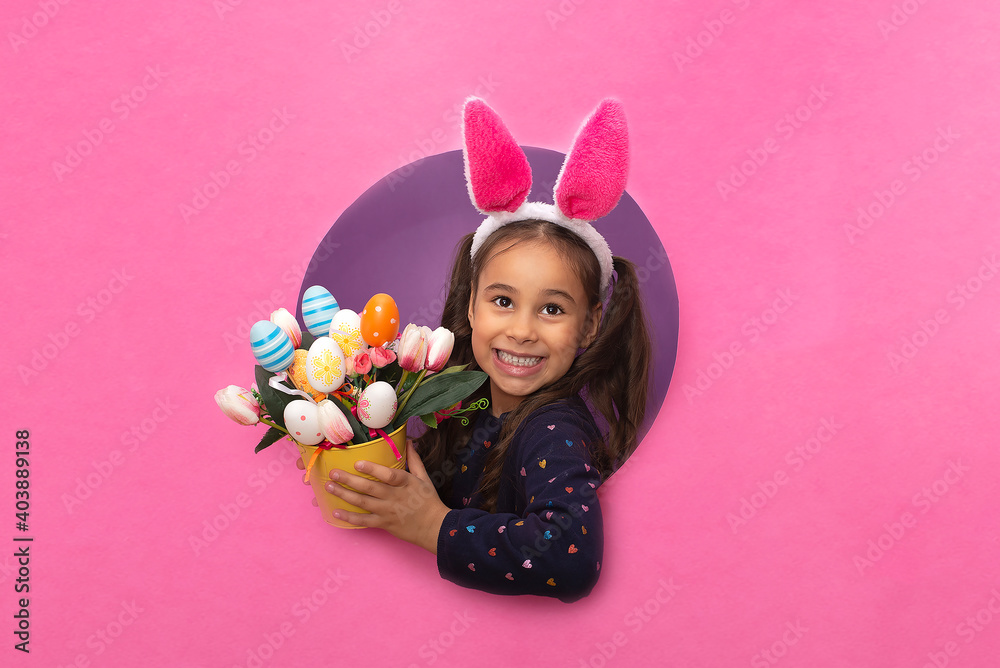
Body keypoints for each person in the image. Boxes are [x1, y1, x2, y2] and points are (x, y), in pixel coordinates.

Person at [321, 97, 652, 602]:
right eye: (502, 301)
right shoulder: (470, 401)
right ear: (470, 307)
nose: (521, 331)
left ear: (590, 327)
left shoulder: (552, 428)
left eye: (552, 310)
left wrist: (433, 527)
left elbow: (572, 555)